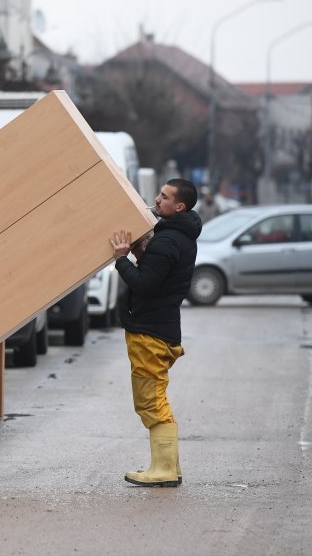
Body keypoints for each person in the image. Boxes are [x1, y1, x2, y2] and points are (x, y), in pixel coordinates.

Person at [109, 178, 201, 487]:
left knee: (150, 400)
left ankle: (163, 470)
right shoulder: (177, 237)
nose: (157, 199)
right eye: (159, 194)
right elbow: (158, 278)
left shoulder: (167, 241)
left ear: (179, 206)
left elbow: (145, 285)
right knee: (154, 397)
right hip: (158, 327)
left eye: (164, 196)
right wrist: (139, 256)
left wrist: (121, 258)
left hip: (151, 332)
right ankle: (168, 467)